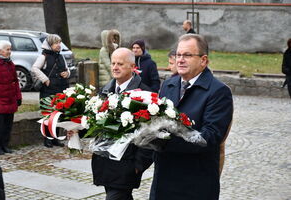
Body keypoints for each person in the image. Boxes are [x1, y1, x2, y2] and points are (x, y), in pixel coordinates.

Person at [150, 34, 233, 200]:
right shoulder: (168, 85)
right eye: (178, 55)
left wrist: (164, 141)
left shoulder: (218, 92)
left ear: (203, 60)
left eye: (187, 55)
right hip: (164, 181)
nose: (180, 60)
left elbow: (209, 138)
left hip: (195, 184)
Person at [92, 48, 153, 200]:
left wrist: (139, 165)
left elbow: (151, 133)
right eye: (113, 63)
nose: (115, 67)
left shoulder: (144, 94)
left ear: (133, 67)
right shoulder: (106, 90)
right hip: (105, 161)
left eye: (120, 64)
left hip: (126, 164)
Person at [31, 34, 70, 148]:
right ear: (50, 44)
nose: (59, 45)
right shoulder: (44, 56)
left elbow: (67, 69)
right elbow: (35, 68)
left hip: (60, 89)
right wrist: (45, 79)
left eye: (59, 42)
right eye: (56, 43)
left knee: (57, 114)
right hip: (48, 90)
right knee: (48, 115)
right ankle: (47, 139)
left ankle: (55, 138)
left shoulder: (60, 56)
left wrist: (67, 73)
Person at [0, 40, 22, 155]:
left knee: (8, 125)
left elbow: (15, 81)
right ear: (0, 51)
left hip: (10, 100)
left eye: (10, 49)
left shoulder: (10, 63)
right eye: (7, 49)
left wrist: (18, 97)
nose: (10, 51)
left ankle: (4, 145)